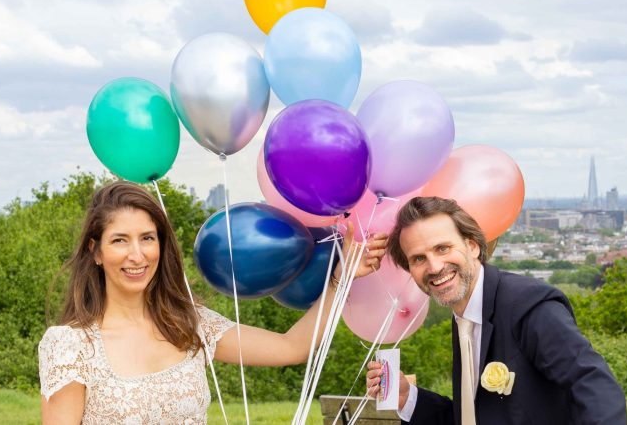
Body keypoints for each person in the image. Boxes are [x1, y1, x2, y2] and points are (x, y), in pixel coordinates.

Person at [39, 181, 386, 424]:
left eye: (147, 238)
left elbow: (292, 346)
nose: (136, 254)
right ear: (96, 251)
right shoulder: (71, 346)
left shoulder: (189, 324)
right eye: (119, 240)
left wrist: (342, 276)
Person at [366, 196, 627, 425]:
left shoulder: (529, 305)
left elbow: (595, 386)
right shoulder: (463, 317)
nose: (434, 267)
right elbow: (473, 416)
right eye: (418, 259)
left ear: (473, 246)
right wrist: (407, 397)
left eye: (442, 248)